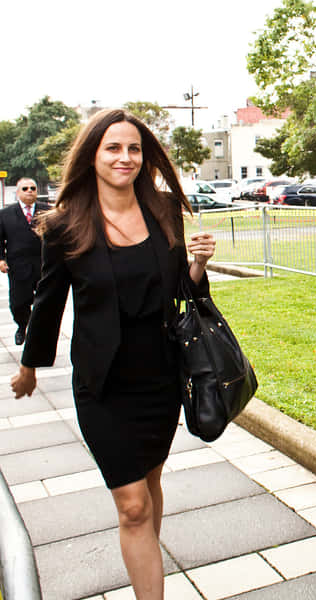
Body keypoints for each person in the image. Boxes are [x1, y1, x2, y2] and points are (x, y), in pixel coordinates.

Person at [10, 109, 216, 600]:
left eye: (134, 149)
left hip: (160, 378)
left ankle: (145, 556)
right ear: (93, 156)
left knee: (149, 485)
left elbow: (178, 296)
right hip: (104, 386)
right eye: (113, 148)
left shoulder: (162, 212)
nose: (125, 158)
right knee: (132, 505)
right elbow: (48, 298)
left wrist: (198, 264)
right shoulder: (66, 225)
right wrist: (29, 365)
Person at [0, 177, 50, 344]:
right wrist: (1, 259)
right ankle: (22, 326)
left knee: (46, 302)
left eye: (33, 188)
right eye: (25, 189)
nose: (29, 191)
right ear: (17, 192)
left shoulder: (48, 211)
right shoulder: (5, 214)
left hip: (44, 265)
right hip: (18, 266)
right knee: (18, 303)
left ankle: (40, 332)